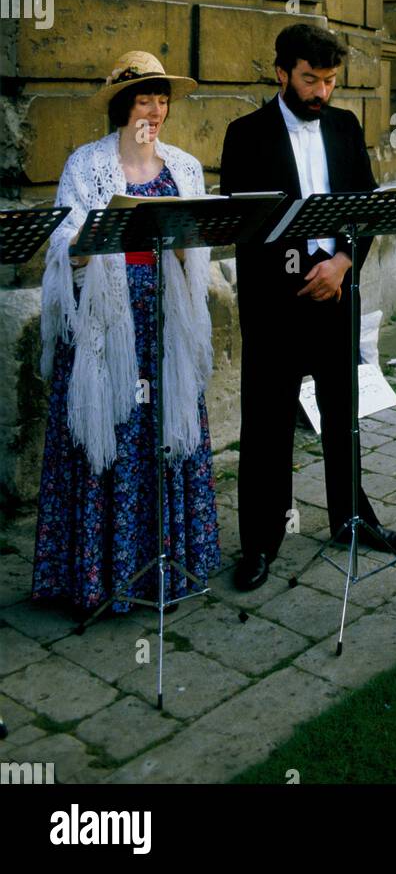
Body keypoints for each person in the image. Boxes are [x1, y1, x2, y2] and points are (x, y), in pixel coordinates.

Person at [220, 22, 396, 592]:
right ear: (282, 73)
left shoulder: (347, 127)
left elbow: (366, 208)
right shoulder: (244, 134)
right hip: (276, 305)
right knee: (267, 427)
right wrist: (299, 267)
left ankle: (353, 519)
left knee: (341, 415)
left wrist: (343, 263)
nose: (321, 92)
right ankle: (259, 541)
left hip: (336, 296)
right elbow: (242, 225)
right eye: (310, 79)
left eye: (329, 80)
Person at [34, 51, 220, 616]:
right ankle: (98, 573)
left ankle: (161, 566)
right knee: (111, 434)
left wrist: (191, 237)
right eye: (145, 98)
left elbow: (199, 245)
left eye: (162, 99)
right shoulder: (86, 165)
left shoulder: (184, 167)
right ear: (123, 105)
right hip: (107, 324)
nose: (157, 109)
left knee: (159, 434)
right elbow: (63, 243)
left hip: (165, 321)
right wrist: (95, 238)